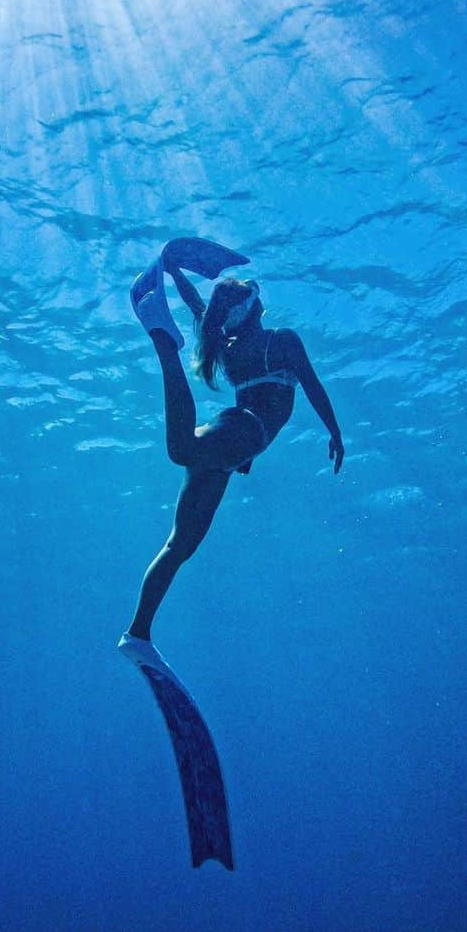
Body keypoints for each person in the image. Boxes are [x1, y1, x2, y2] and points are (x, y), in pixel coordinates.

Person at [120, 247, 344, 649]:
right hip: (244, 432)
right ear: (254, 307)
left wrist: (174, 272)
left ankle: (137, 634)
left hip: (232, 445)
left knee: (179, 544)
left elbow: (198, 309)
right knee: (181, 449)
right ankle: (162, 341)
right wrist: (336, 433)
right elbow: (310, 384)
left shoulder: (228, 343)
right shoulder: (281, 340)